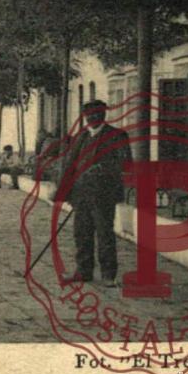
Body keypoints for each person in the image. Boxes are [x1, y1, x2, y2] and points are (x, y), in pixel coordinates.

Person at [54, 100, 132, 286]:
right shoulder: (80, 137)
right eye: (89, 115)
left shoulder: (117, 135)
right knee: (81, 234)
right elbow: (69, 165)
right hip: (80, 195)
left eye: (97, 114)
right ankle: (83, 271)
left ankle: (108, 275)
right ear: (85, 117)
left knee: (105, 234)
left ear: (104, 114)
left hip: (103, 195)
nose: (93, 118)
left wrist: (102, 168)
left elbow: (126, 163)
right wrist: (63, 192)